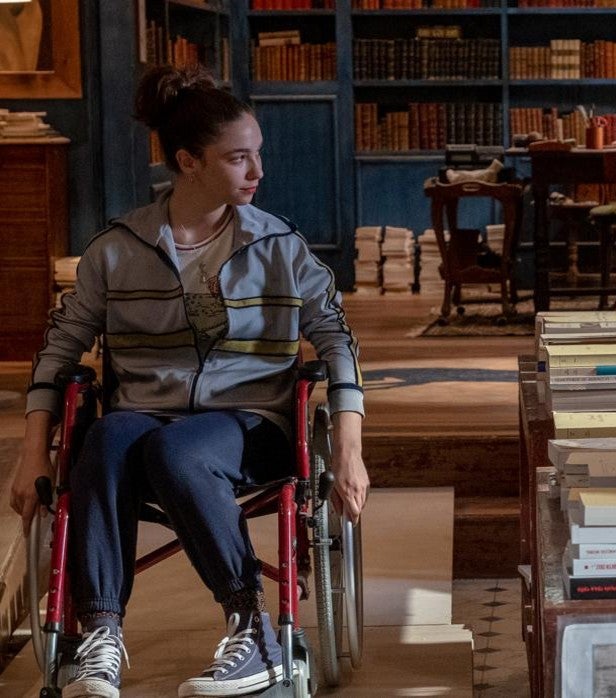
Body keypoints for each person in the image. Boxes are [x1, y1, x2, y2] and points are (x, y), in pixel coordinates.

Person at [10, 64, 369, 697]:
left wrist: (348, 447)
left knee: (174, 447)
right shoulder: (115, 251)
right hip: (145, 421)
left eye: (257, 155)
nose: (258, 172)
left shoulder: (279, 246)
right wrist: (32, 449)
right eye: (239, 158)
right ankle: (98, 637)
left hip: (249, 422)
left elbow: (337, 339)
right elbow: (60, 348)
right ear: (188, 161)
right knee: (109, 436)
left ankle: (255, 631)